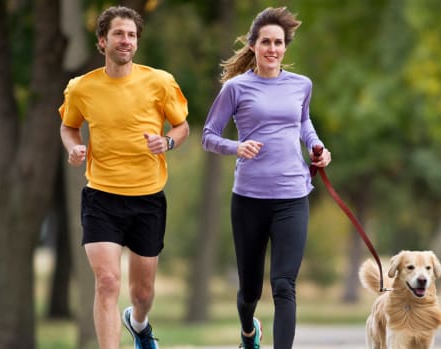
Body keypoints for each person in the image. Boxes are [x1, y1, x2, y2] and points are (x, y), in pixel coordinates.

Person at [58, 6, 189, 349]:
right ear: (102, 41)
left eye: (131, 35)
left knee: (142, 293)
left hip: (148, 198)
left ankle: (139, 323)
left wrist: (169, 141)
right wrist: (73, 147)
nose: (126, 40)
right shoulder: (81, 88)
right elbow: (69, 125)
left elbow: (182, 125)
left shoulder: (159, 82)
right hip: (101, 197)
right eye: (119, 33)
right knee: (107, 281)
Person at [202, 6, 331, 349]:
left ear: (285, 46)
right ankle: (248, 332)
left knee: (285, 285)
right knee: (249, 291)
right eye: (265, 42)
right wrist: (236, 147)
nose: (272, 49)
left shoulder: (301, 85)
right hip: (249, 200)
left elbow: (303, 123)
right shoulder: (236, 88)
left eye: (278, 42)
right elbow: (208, 135)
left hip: (292, 196)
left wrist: (317, 146)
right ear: (253, 46)